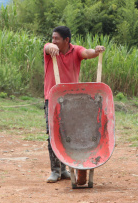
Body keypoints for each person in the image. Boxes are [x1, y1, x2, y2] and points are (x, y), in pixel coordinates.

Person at [43, 26, 105, 183]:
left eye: (57, 38)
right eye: (53, 38)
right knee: (53, 133)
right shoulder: (49, 50)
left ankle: (65, 167)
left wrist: (96, 51)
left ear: (67, 40)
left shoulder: (75, 50)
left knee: (70, 133)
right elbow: (48, 46)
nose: (53, 41)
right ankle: (55, 170)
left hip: (72, 101)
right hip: (52, 98)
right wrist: (51, 46)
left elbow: (86, 53)